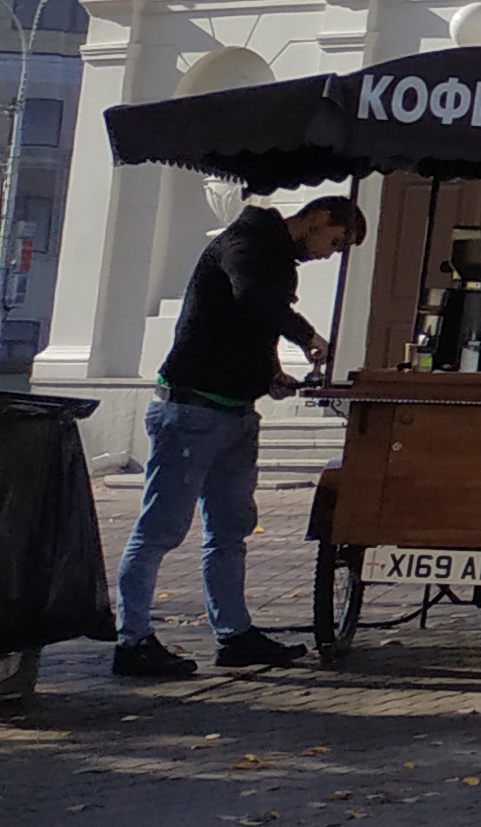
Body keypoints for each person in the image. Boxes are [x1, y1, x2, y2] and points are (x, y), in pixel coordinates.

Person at [113, 191, 366, 679]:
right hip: (191, 409)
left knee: (230, 530)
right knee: (160, 529)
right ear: (317, 217)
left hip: (235, 413)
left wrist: (269, 374)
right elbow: (253, 298)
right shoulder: (245, 242)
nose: (329, 255)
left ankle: (234, 634)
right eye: (334, 242)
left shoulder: (278, 260)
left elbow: (251, 326)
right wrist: (307, 336)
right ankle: (133, 640)